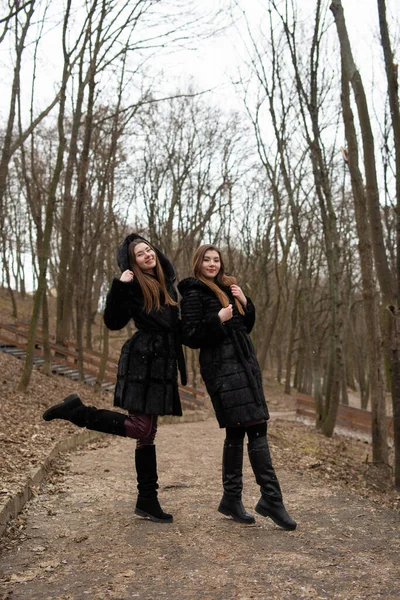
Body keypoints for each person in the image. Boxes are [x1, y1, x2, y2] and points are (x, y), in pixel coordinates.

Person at [43, 233, 187, 523]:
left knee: (147, 434)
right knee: (141, 428)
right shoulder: (133, 286)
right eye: (140, 254)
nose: (148, 255)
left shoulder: (165, 285)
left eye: (149, 250)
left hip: (162, 364)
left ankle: (147, 500)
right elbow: (112, 321)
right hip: (143, 360)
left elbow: (176, 327)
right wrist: (120, 287)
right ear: (132, 263)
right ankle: (79, 412)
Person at [178, 244, 296, 530]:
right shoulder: (194, 293)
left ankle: (233, 499)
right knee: (254, 425)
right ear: (198, 263)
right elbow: (190, 335)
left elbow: (245, 326)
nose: (212, 264)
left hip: (244, 365)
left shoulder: (228, 288)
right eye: (206, 259)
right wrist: (217, 319)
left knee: (241, 429)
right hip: (221, 368)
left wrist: (246, 301)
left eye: (216, 260)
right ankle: (271, 498)